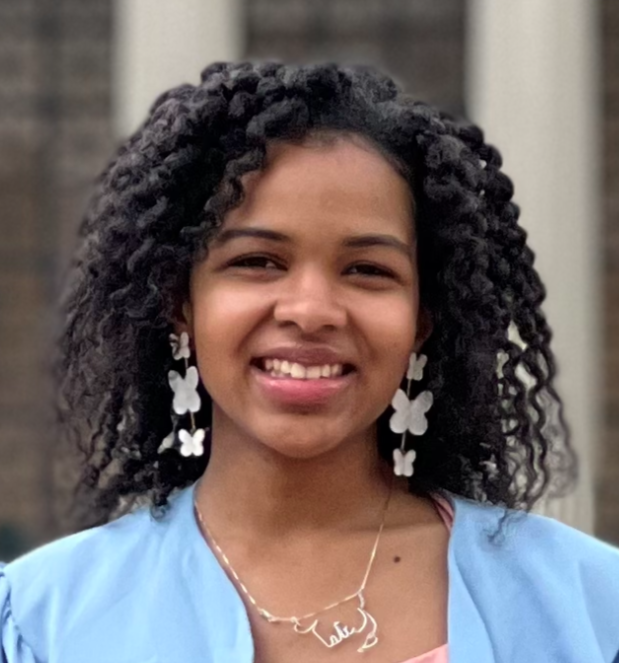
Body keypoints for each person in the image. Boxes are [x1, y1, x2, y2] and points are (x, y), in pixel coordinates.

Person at [1, 61, 618, 663]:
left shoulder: (591, 609)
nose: (312, 310)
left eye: (368, 270)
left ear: (423, 321)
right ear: (179, 304)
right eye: (258, 261)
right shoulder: (42, 623)